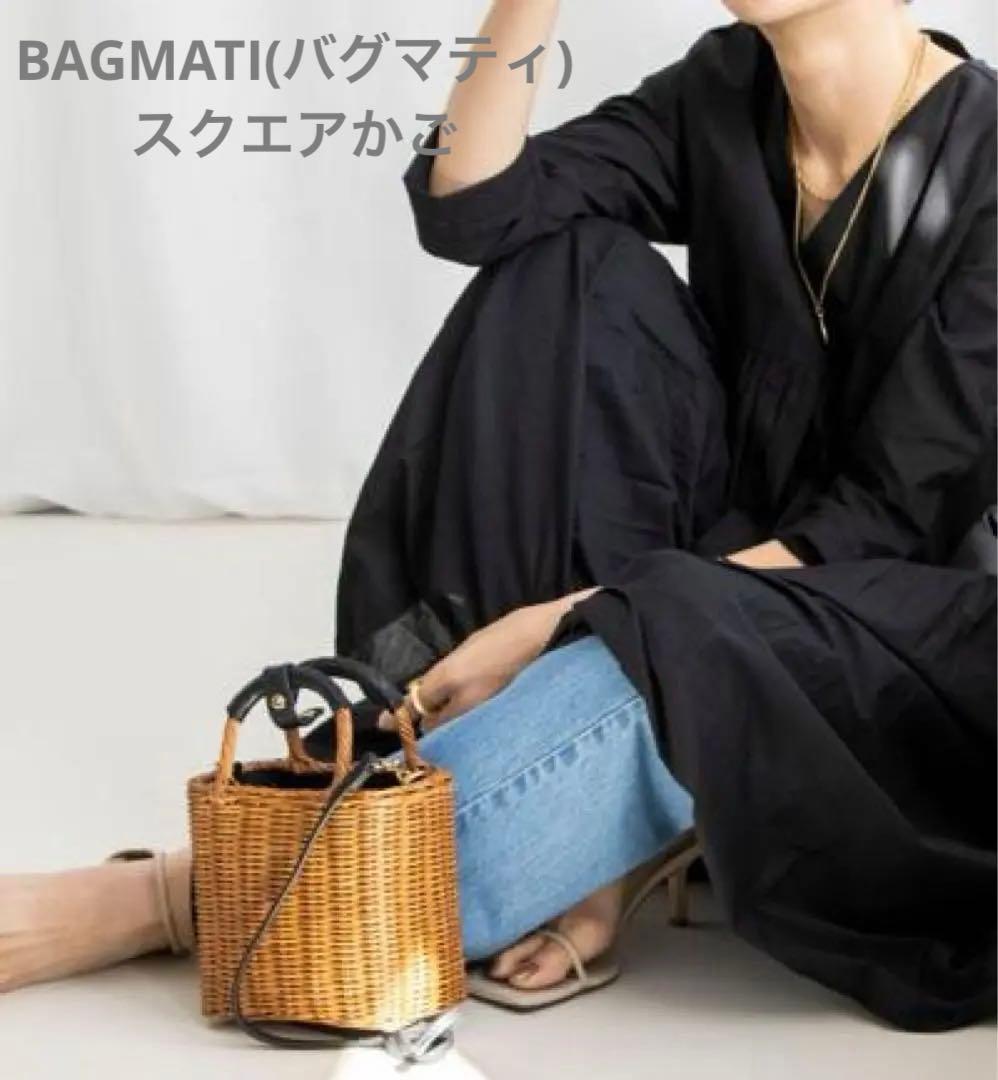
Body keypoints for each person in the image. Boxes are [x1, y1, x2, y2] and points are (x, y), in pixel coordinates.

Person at [1, 0, 995, 1033]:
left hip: (892, 641)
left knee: (676, 629)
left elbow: (875, 529)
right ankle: (539, 801)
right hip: (721, 563)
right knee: (569, 270)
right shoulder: (724, 89)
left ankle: (178, 897)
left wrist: (563, 620)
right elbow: (473, 209)